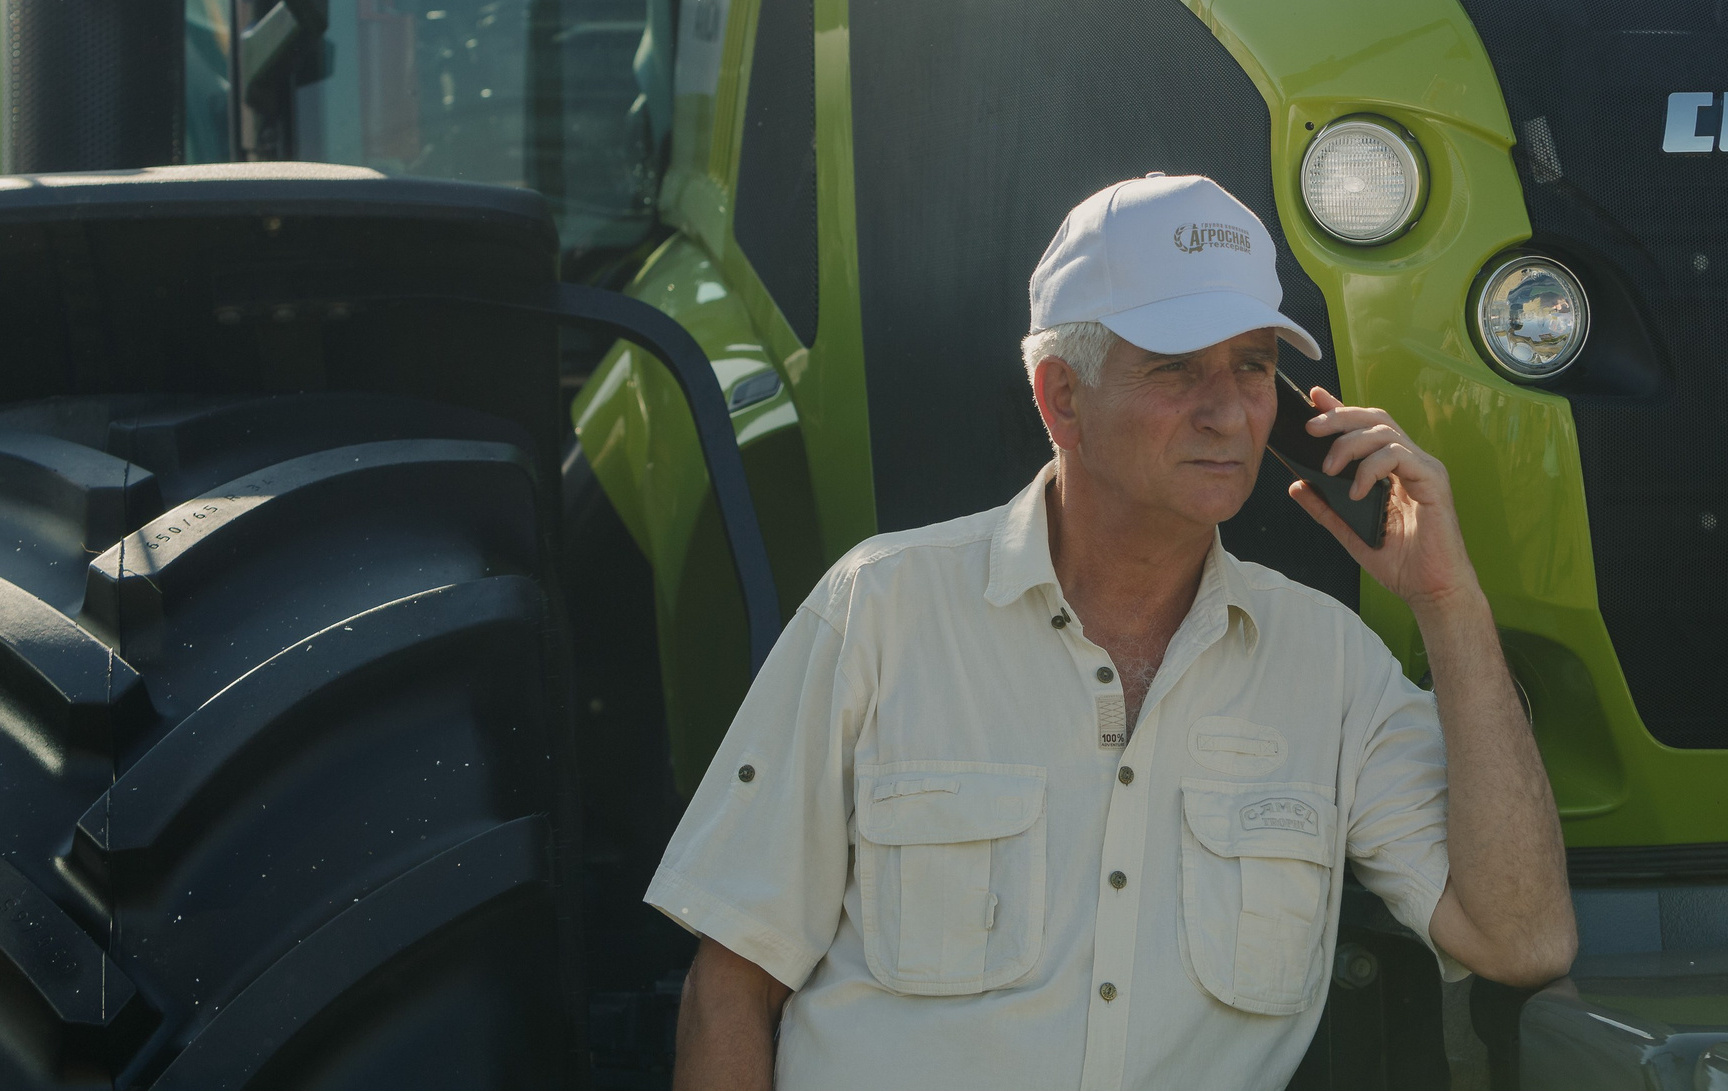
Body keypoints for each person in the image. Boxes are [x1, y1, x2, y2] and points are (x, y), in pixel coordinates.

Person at [649, 173, 1577, 1090]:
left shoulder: (1330, 664)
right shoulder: (878, 608)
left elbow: (1522, 939)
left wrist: (1448, 601)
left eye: (1253, 365)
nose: (1227, 411)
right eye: (1177, 368)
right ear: (1061, 398)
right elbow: (729, 989)